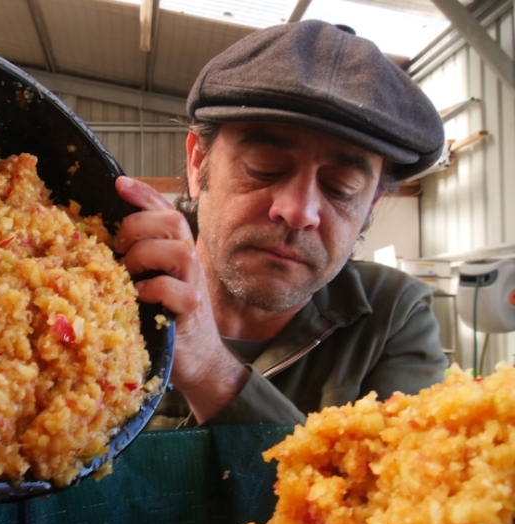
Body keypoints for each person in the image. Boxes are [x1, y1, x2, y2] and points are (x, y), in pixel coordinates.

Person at [113, 20, 449, 429]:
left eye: (341, 189)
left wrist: (211, 370)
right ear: (198, 161)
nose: (298, 210)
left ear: (372, 205)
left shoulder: (393, 317)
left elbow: (385, 492)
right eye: (264, 168)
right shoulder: (105, 284)